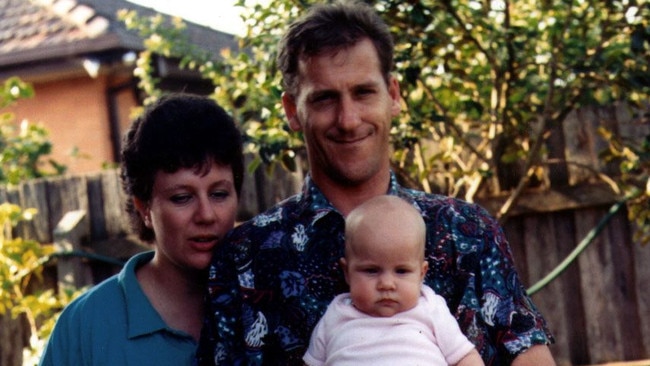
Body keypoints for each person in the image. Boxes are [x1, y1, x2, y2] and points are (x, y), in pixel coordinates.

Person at [197, 1, 555, 365]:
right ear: (292, 110)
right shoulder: (247, 257)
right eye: (324, 99)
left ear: (394, 96)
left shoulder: (469, 232)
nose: (348, 120)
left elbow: (530, 356)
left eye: (363, 92)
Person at [40, 93, 244, 365]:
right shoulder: (86, 326)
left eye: (219, 194)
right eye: (182, 198)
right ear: (144, 208)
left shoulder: (271, 300)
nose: (206, 215)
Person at [303, 195, 484, 366]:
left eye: (402, 271)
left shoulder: (430, 307)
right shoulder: (336, 313)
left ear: (422, 274)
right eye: (371, 271)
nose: (387, 284)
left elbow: (465, 356)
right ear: (347, 272)